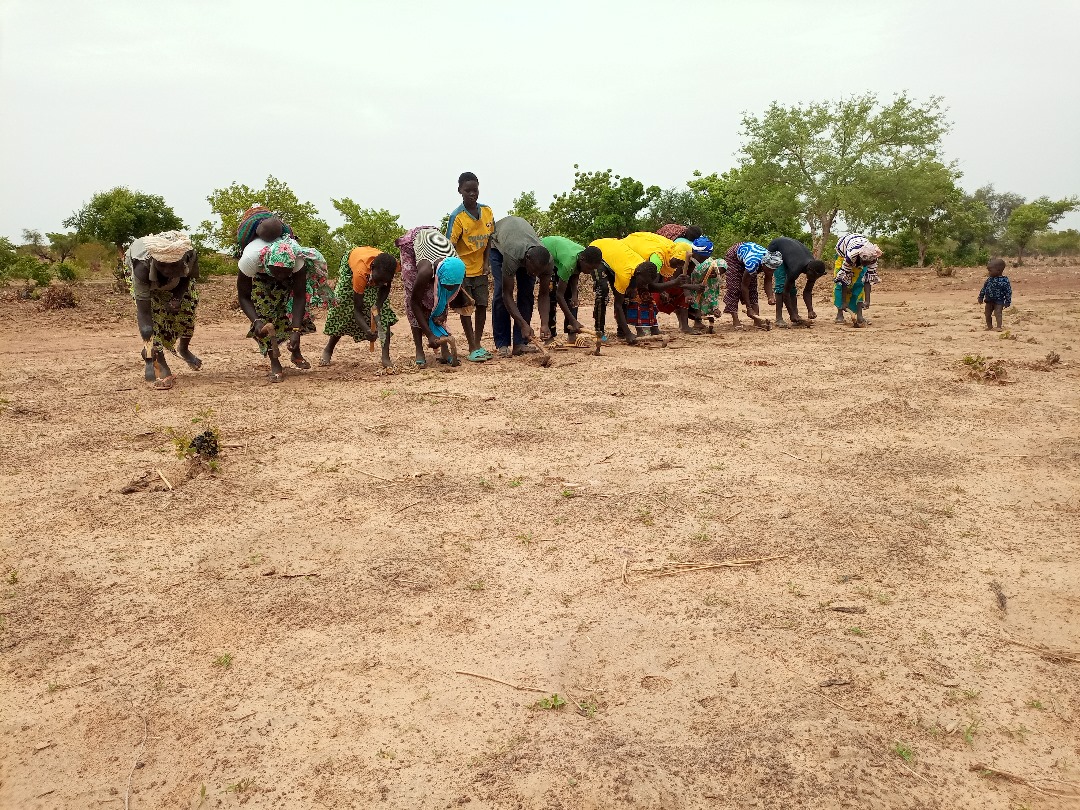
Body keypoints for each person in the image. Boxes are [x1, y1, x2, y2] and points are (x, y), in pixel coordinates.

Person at [237, 232, 336, 382]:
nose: (280, 277)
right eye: (278, 272)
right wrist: (256, 321)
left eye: (284, 272)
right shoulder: (250, 259)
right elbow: (244, 296)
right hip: (262, 279)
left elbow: (299, 297)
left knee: (293, 314)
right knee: (264, 316)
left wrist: (295, 330)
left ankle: (295, 351)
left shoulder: (297, 260)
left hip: (290, 279)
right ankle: (275, 362)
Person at [124, 230, 201, 388]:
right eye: (162, 265)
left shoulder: (189, 255)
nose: (166, 270)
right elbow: (144, 313)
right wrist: (148, 346)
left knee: (188, 307)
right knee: (153, 319)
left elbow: (187, 277)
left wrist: (177, 297)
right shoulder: (141, 268)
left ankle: (183, 349)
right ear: (155, 260)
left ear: (182, 261)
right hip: (144, 276)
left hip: (177, 281)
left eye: (172, 265)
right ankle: (160, 362)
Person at [397, 227, 468, 366]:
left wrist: (440, 315)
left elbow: (445, 297)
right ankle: (419, 349)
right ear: (438, 276)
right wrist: (429, 335)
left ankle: (444, 350)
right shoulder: (425, 271)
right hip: (413, 243)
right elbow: (414, 303)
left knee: (437, 299)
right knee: (414, 293)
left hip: (434, 244)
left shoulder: (458, 268)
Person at [320, 247, 399, 368]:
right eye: (378, 281)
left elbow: (386, 286)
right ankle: (329, 349)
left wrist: (378, 306)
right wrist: (367, 330)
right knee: (342, 308)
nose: (378, 285)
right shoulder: (360, 273)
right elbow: (357, 309)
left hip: (374, 271)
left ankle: (385, 357)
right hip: (352, 268)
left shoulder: (391, 267)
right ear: (372, 268)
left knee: (384, 315)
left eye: (384, 281)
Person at [446, 172, 495, 362]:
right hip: (462, 270)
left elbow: (489, 239)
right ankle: (472, 346)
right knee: (466, 308)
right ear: (460, 191)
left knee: (482, 305)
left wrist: (486, 262)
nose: (472, 194)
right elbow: (449, 246)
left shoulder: (487, 211)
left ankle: (478, 343)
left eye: (475, 190)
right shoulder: (457, 217)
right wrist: (456, 271)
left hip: (480, 269)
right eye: (468, 191)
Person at [489, 216, 554, 357]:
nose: (535, 274)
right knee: (500, 292)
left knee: (526, 293)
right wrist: (523, 324)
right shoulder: (512, 254)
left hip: (522, 248)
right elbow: (507, 294)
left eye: (538, 272)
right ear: (527, 259)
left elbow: (544, 294)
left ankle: (520, 343)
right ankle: (502, 344)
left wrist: (544, 323)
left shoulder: (547, 262)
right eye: (533, 270)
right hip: (498, 247)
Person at [622, 232, 697, 333]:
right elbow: (651, 286)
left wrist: (663, 290)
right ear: (675, 256)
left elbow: (660, 273)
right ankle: (640, 330)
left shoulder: (669, 251)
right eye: (679, 262)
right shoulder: (657, 259)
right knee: (641, 296)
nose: (679, 266)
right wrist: (674, 283)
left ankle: (652, 327)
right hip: (628, 256)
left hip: (643, 266)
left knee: (648, 299)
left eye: (682, 263)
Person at [590, 238, 654, 344]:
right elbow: (618, 305)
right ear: (638, 274)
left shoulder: (642, 265)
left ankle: (621, 332)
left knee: (626, 296)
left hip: (615, 260)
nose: (643, 285)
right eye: (643, 282)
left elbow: (634, 278)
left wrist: (633, 287)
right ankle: (599, 333)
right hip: (599, 252)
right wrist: (629, 333)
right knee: (602, 292)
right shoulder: (625, 274)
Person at [540, 235, 603, 341]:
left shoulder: (583, 255)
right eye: (589, 268)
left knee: (573, 299)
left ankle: (572, 334)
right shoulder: (568, 263)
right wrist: (573, 321)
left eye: (593, 269)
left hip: (561, 255)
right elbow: (559, 295)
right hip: (547, 253)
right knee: (552, 296)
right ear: (582, 260)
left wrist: (574, 294)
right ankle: (549, 336)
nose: (590, 272)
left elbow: (575, 272)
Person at [766, 237, 828, 328]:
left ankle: (796, 316)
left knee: (792, 288)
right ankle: (779, 318)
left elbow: (807, 291)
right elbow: (785, 292)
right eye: (814, 276)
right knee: (781, 285)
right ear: (810, 271)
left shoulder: (814, 267)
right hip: (776, 250)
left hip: (790, 254)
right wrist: (791, 314)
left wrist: (810, 310)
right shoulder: (796, 268)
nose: (814, 279)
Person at [722, 241, 782, 330]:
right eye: (769, 269)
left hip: (749, 257)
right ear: (763, 264)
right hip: (734, 257)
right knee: (735, 287)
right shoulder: (752, 263)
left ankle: (757, 319)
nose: (771, 272)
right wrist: (748, 308)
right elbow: (744, 286)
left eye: (773, 270)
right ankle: (735, 319)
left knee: (753, 287)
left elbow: (768, 279)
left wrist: (770, 297)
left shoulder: (771, 261)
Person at [833, 234, 882, 327]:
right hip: (843, 254)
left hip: (861, 254)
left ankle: (859, 316)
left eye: (867, 264)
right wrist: (844, 302)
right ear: (859, 257)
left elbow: (868, 279)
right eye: (863, 263)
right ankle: (840, 314)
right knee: (839, 285)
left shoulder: (873, 258)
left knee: (859, 283)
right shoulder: (851, 255)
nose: (864, 266)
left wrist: (867, 301)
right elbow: (843, 280)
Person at [684, 237, 725, 332]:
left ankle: (711, 313)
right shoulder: (688, 260)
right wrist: (688, 292)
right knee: (697, 302)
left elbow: (723, 264)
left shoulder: (711, 262)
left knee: (707, 298)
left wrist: (716, 272)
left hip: (708, 286)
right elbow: (684, 278)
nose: (703, 259)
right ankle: (697, 321)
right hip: (694, 286)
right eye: (701, 257)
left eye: (705, 257)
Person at [978, 258, 1012, 331]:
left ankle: (999, 327)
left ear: (998, 270)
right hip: (989, 300)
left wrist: (1008, 301)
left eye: (990, 270)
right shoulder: (989, 279)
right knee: (987, 314)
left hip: (999, 301)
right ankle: (989, 326)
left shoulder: (1004, 280)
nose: (988, 272)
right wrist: (980, 297)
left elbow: (1008, 291)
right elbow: (984, 288)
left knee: (998, 313)